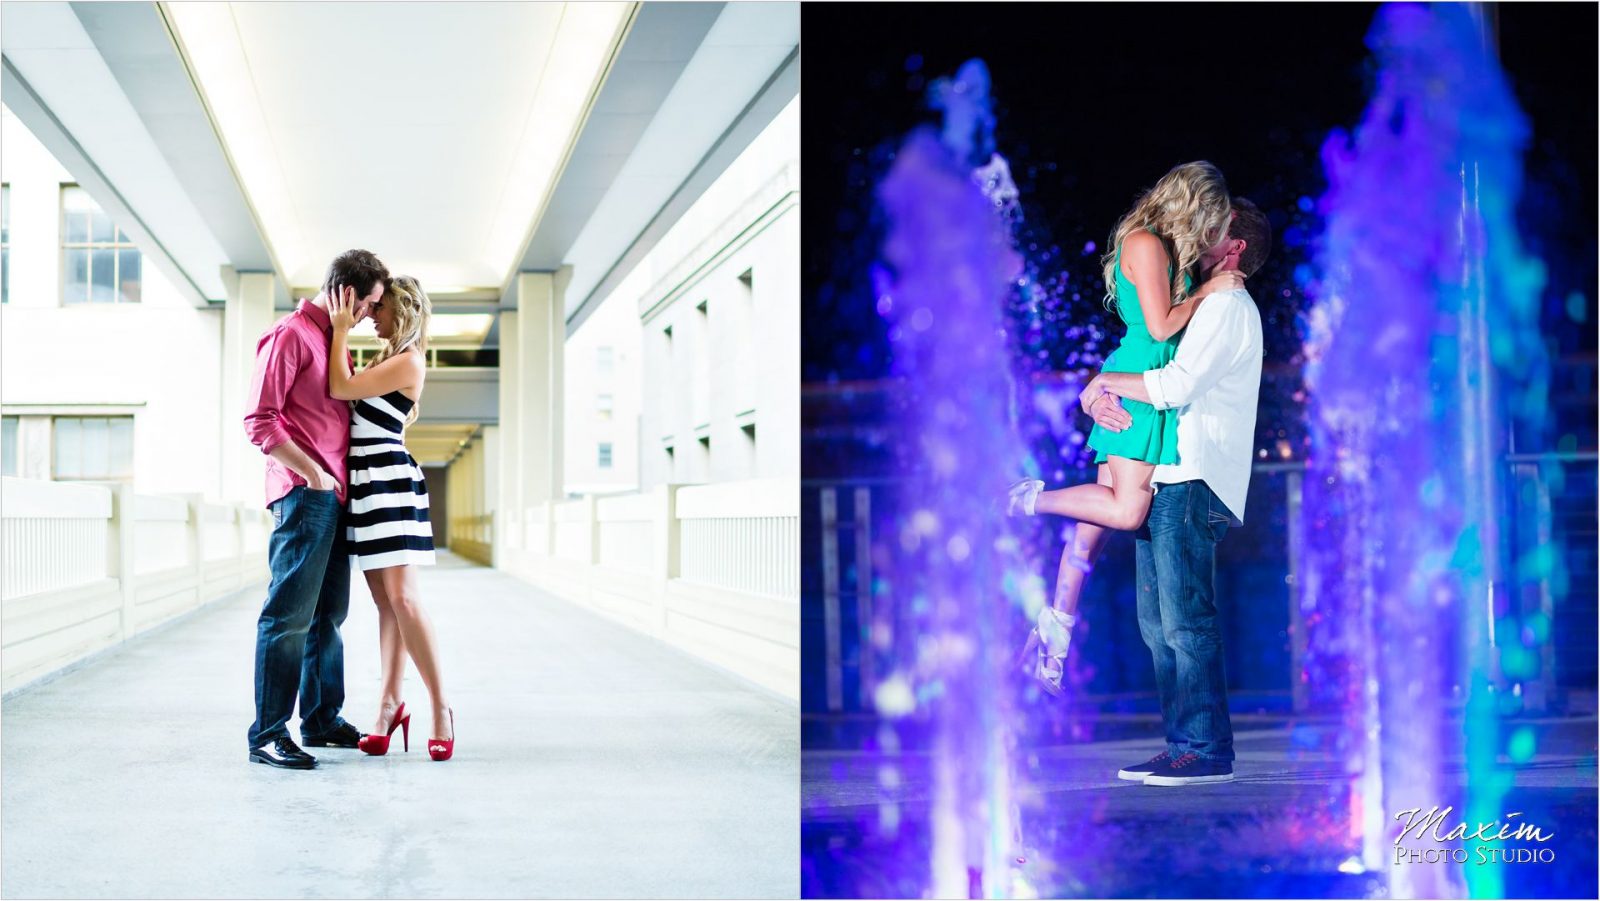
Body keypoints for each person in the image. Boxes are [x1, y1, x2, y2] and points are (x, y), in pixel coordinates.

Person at [1008, 162, 1241, 693]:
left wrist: (1211, 276)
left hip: (1144, 387)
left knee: (1087, 543)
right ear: (1194, 205)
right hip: (1138, 386)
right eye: (1212, 221)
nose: (1212, 234)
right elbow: (1159, 327)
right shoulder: (1144, 241)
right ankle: (1026, 499)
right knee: (1127, 509)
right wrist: (1209, 292)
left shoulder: (1165, 249)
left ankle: (1055, 636)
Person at [1080, 197, 1272, 786]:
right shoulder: (1204, 302)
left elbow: (1175, 384)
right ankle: (1184, 744)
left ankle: (1205, 749)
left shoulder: (1227, 304)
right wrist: (1098, 395)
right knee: (1157, 624)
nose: (1193, 235)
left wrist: (1100, 383)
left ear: (1233, 246)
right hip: (1167, 474)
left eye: (1209, 229)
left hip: (1193, 477)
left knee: (1186, 622)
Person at [244, 249, 388, 769]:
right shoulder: (290, 336)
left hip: (334, 496)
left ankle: (322, 719)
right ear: (346, 293)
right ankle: (266, 734)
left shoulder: (335, 344)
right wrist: (311, 473)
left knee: (329, 616)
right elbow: (260, 420)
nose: (373, 315)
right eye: (371, 304)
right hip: (305, 493)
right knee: (288, 617)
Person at [327, 275, 455, 762]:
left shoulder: (408, 361)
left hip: (390, 481)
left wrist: (340, 329)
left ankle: (441, 708)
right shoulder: (386, 360)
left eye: (379, 310)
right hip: (366, 484)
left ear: (401, 311)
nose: (370, 315)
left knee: (403, 597)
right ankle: (388, 704)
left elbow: (340, 387)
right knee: (386, 604)